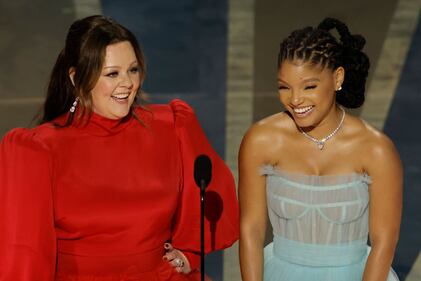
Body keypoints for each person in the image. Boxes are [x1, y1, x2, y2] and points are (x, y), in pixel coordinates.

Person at [0, 15, 239, 281]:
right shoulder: (38, 149)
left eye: (133, 70)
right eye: (112, 73)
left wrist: (189, 253)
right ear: (77, 77)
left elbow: (215, 192)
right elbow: (24, 252)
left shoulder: (171, 126)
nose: (127, 83)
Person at [239, 18, 402, 281]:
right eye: (284, 87)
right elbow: (251, 228)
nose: (295, 100)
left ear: (337, 78)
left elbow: (385, 243)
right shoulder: (261, 140)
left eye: (309, 86)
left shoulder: (376, 150)